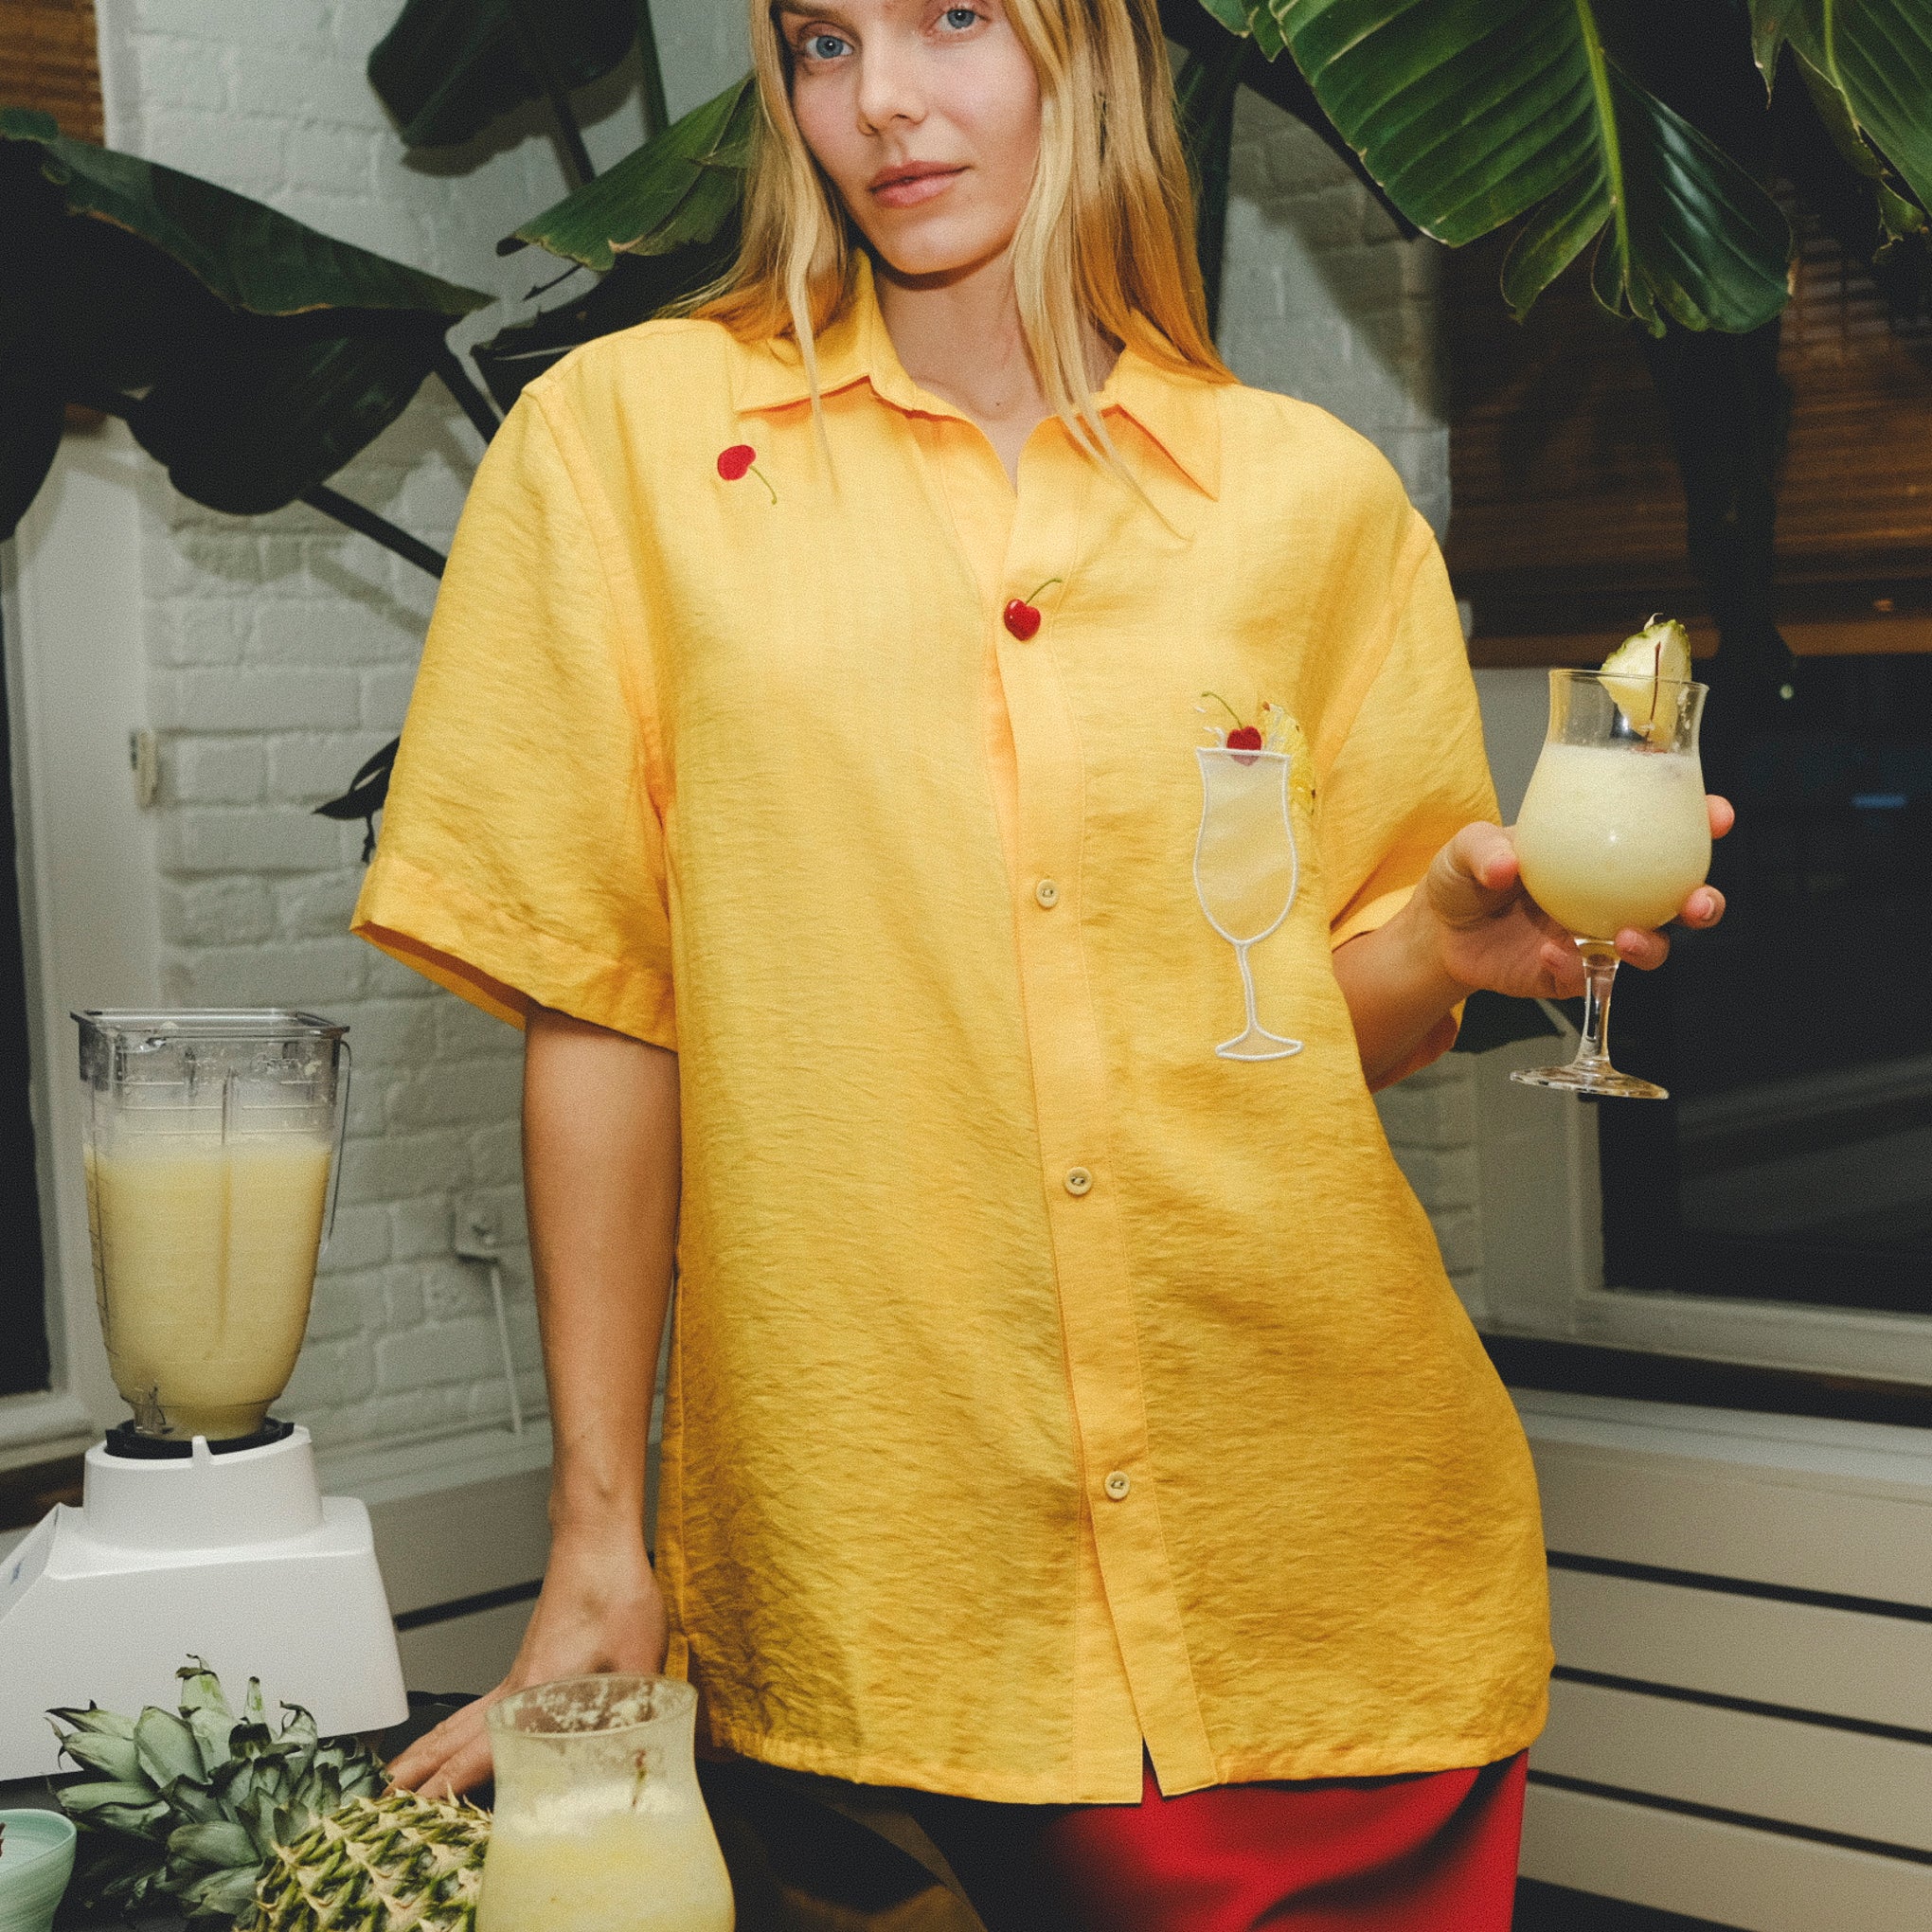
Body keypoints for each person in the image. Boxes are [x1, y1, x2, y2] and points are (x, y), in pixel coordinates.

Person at [358, 2, 1731, 1925]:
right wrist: (601, 1530)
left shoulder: (1310, 499)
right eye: (823, 42)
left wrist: (1434, 942)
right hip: (912, 1567)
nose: (882, 103)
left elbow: (1306, 1036)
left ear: (1092, 48)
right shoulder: (626, 449)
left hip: (1326, 1557)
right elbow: (602, 1003)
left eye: (953, 20)